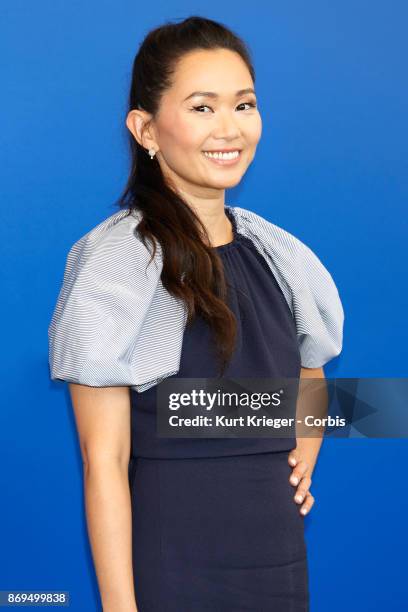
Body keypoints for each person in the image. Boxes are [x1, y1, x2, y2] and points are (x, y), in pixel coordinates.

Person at [48, 15, 344, 612]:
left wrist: (300, 450)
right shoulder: (116, 260)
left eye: (245, 104)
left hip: (278, 560)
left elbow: (312, 377)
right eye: (202, 107)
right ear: (146, 128)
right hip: (176, 561)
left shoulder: (281, 253)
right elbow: (103, 461)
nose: (230, 128)